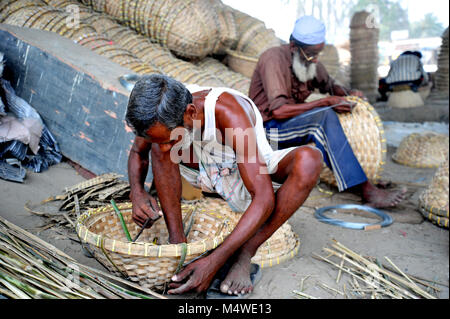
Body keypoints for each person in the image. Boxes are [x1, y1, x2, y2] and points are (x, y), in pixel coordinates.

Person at [125, 74, 323, 296]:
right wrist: (137, 191)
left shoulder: (228, 112)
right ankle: (178, 243)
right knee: (159, 149)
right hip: (199, 172)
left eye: (171, 140)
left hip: (243, 173)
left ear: (191, 113)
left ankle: (243, 256)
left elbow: (263, 198)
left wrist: (215, 261)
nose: (166, 148)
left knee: (309, 161)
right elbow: (137, 152)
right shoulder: (158, 113)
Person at [249, 16, 406, 208]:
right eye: (311, 54)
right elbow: (280, 111)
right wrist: (324, 102)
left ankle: (361, 180)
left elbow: (331, 86)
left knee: (326, 114)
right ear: (293, 46)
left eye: (318, 53)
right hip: (267, 133)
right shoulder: (273, 58)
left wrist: (349, 94)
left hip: (287, 127)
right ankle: (366, 191)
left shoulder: (309, 61)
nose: (315, 59)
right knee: (322, 117)